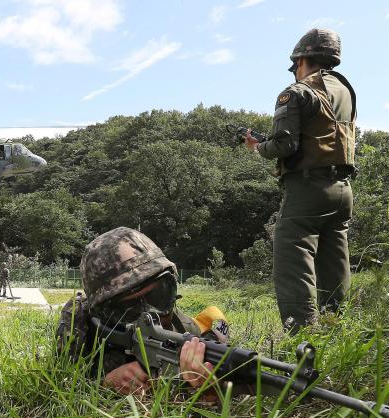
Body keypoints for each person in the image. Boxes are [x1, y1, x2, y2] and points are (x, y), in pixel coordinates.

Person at [245, 28, 356, 332]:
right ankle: (335, 330)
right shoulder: (345, 91)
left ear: (303, 58)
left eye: (295, 66)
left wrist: (258, 148)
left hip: (307, 189)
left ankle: (303, 338)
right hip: (343, 189)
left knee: (294, 263)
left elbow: (284, 145)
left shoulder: (295, 92)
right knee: (334, 264)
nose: (295, 72)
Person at [56, 227, 229, 395]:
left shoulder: (184, 330)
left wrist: (209, 388)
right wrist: (104, 383)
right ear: (104, 312)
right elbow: (61, 386)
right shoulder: (79, 324)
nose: (152, 315)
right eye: (129, 308)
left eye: (158, 295)